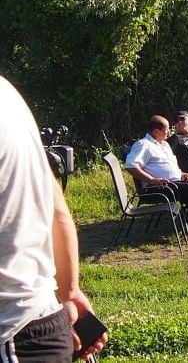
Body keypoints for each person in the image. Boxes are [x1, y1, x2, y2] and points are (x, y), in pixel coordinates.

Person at [0, 76, 107, 361]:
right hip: (42, 320)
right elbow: (56, 207)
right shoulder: (8, 95)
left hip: (10, 334)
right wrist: (69, 292)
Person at [125, 115, 188, 239]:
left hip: (176, 182)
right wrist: (151, 179)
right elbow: (131, 166)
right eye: (167, 129)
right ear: (156, 131)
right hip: (159, 187)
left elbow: (170, 166)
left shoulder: (164, 144)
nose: (170, 132)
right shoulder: (143, 145)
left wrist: (182, 174)